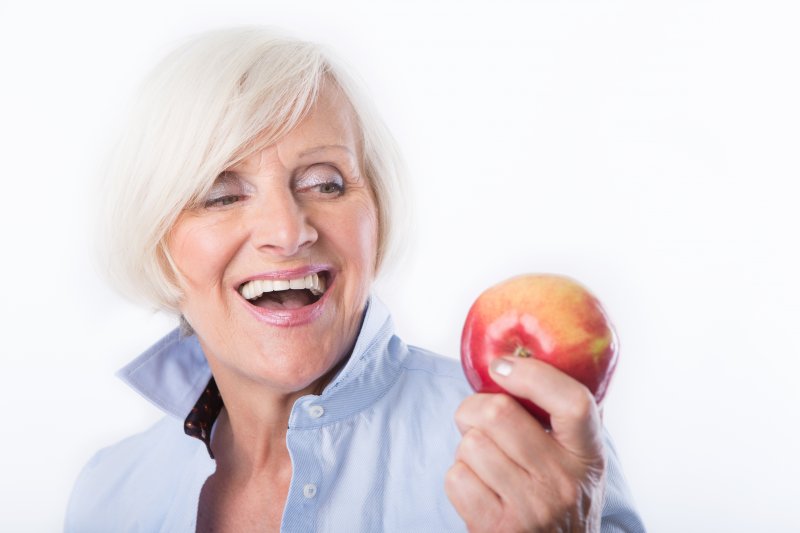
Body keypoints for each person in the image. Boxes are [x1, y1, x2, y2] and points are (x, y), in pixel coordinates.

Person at [66, 27, 645, 532]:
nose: (287, 231)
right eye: (221, 195)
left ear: (377, 217)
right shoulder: (110, 493)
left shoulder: (528, 451)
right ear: (159, 247)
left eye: (325, 183)